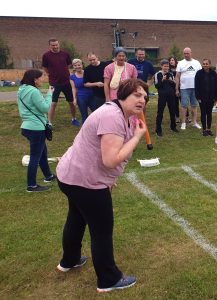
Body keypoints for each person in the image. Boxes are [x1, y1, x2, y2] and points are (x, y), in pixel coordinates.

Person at [56, 78, 149, 293]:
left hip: (72, 176)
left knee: (77, 218)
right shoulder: (112, 117)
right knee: (102, 230)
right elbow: (110, 160)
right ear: (122, 95)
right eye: (137, 94)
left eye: (144, 96)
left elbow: (103, 155)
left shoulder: (122, 114)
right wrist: (137, 137)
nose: (142, 99)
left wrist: (110, 179)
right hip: (85, 181)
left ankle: (69, 260)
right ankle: (108, 279)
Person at [17, 69, 56, 192]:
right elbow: (44, 108)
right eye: (41, 77)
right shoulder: (33, 91)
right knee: (35, 157)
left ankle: (48, 176)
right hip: (36, 128)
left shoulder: (21, 89)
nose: (42, 79)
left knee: (42, 153)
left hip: (27, 126)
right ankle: (31, 185)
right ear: (35, 79)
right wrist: (50, 93)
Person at [42, 38, 80, 127]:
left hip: (67, 82)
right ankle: (49, 123)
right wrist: (51, 75)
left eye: (56, 45)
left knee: (71, 102)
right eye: (53, 45)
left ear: (58, 44)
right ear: (50, 46)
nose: (55, 46)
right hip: (54, 83)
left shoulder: (65, 54)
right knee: (53, 103)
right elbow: (45, 68)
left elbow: (68, 65)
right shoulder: (46, 56)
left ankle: (74, 119)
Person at [175, 47, 202, 130]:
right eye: (184, 53)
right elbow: (177, 76)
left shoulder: (197, 63)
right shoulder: (180, 63)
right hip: (184, 88)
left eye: (187, 53)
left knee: (194, 105)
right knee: (184, 106)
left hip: (195, 88)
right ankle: (183, 123)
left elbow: (201, 75)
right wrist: (177, 89)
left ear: (191, 53)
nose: (186, 55)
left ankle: (194, 122)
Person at [195, 58, 217, 136]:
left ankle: (209, 129)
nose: (205, 65)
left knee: (209, 113)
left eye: (206, 64)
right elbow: (196, 86)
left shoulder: (213, 73)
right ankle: (204, 130)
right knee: (203, 113)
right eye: (204, 64)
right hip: (202, 97)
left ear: (209, 65)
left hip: (211, 97)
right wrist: (197, 97)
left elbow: (216, 86)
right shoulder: (199, 73)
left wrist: (216, 97)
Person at [154, 59, 178, 136]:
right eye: (165, 66)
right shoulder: (158, 74)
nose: (166, 68)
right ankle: (158, 130)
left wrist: (171, 81)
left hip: (171, 95)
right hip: (162, 96)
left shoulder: (170, 74)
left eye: (167, 66)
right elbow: (157, 86)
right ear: (161, 66)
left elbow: (174, 85)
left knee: (172, 111)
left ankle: (173, 127)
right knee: (160, 112)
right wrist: (162, 80)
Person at [70, 59, 95, 124]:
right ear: (73, 67)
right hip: (81, 97)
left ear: (82, 65)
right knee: (84, 115)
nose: (77, 67)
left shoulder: (87, 72)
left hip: (92, 96)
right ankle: (85, 130)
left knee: (96, 112)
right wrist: (74, 99)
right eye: (75, 65)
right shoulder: (72, 77)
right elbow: (73, 88)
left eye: (79, 65)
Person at [168, 56, 180, 123]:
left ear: (175, 61)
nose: (171, 61)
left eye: (173, 60)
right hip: (172, 89)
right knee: (175, 103)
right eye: (170, 60)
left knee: (184, 102)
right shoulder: (168, 70)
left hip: (180, 87)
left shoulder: (179, 69)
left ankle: (187, 117)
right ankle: (177, 117)